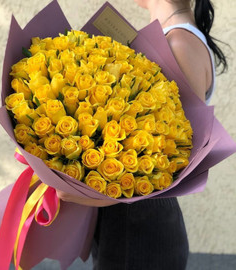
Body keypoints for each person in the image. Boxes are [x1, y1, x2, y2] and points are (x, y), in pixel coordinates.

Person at [58, 0, 228, 269]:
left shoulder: (179, 43)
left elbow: (173, 160)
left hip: (140, 230)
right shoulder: (171, 35)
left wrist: (95, 194)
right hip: (130, 222)